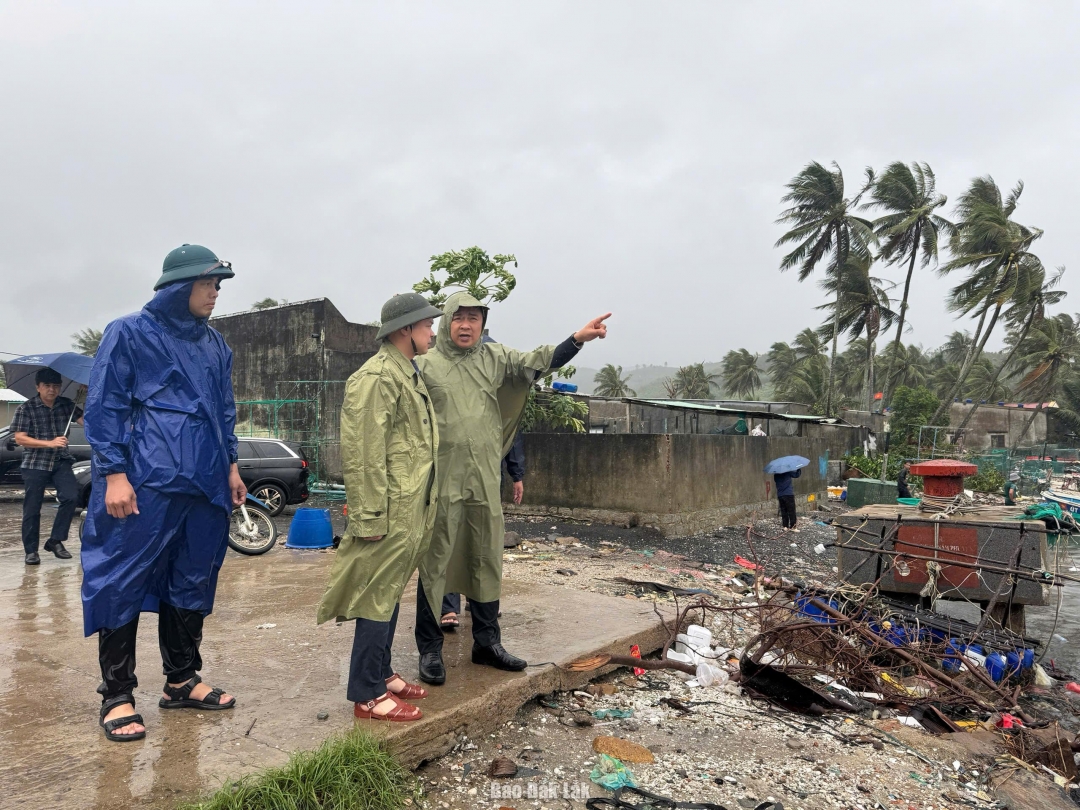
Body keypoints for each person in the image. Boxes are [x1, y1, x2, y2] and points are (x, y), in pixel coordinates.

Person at [81, 244, 245, 743]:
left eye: (219, 285)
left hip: (206, 482)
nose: (215, 293)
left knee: (192, 577)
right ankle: (117, 694)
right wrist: (113, 473)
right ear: (180, 285)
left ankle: (181, 679)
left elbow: (224, 411)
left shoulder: (216, 346)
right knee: (122, 578)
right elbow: (105, 404)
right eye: (208, 283)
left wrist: (232, 468)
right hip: (144, 483)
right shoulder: (129, 332)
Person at [414, 292, 611, 685]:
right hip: (442, 482)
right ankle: (430, 649)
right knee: (435, 560)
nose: (467, 325)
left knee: (487, 556)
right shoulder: (423, 366)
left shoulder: (494, 358)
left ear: (482, 324)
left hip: (485, 480)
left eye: (474, 318)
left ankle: (487, 643)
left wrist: (576, 340)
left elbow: (535, 362)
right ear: (446, 322)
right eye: (459, 318)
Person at [316, 292, 443, 722]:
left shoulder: (407, 372)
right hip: (386, 511)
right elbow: (363, 452)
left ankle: (382, 672)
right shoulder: (376, 378)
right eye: (427, 324)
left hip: (408, 509)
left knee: (388, 593)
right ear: (405, 329)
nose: (433, 331)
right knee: (374, 597)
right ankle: (367, 692)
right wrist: (369, 515)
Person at [440, 431, 524, 631]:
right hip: (452, 469)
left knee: (483, 538)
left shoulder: (495, 400)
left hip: (488, 473)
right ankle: (447, 606)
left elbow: (511, 432)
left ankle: (481, 600)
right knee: (449, 535)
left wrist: (517, 474)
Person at [11, 368, 83, 565]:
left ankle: (55, 540)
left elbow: (87, 422)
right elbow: (20, 438)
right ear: (38, 387)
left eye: (56, 386)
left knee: (71, 497)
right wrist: (49, 443)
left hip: (60, 460)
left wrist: (85, 398)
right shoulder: (26, 408)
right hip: (35, 463)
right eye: (47, 386)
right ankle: (31, 551)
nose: (52, 390)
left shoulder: (67, 405)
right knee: (32, 508)